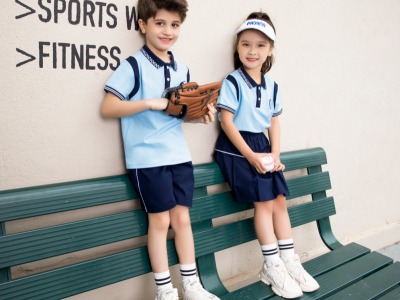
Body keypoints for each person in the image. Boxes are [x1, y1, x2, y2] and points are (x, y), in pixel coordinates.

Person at [100, 1, 219, 299]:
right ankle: (165, 292)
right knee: (161, 221)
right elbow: (108, 107)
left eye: (175, 25)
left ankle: (192, 286)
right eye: (160, 23)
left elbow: (181, 110)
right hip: (147, 158)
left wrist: (200, 113)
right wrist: (152, 102)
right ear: (143, 25)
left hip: (179, 155)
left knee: (182, 220)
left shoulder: (183, 68)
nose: (168, 31)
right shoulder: (134, 65)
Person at [213, 12, 320, 299]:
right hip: (236, 148)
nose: (252, 50)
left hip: (261, 145)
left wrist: (274, 154)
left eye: (260, 45)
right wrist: (252, 157)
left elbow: (273, 121)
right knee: (264, 202)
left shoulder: (272, 86)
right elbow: (226, 122)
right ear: (237, 48)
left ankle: (288, 260)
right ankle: (271, 265)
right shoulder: (233, 82)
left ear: (270, 49)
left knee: (279, 200)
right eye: (246, 44)